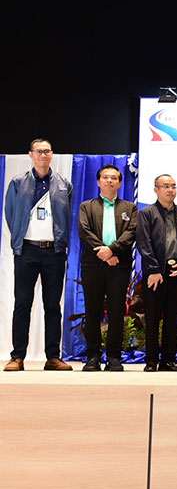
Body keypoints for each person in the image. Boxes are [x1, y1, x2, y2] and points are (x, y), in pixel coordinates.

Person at [3, 139, 74, 371]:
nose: (43, 155)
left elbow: (67, 216)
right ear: (31, 154)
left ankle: (53, 357)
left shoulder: (64, 184)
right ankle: (17, 357)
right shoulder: (18, 182)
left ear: (52, 155)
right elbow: (10, 213)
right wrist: (19, 238)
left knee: (52, 306)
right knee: (22, 304)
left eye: (47, 151)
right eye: (39, 151)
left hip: (54, 252)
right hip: (27, 251)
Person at [78, 164, 138, 372]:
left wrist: (112, 251)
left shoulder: (130, 208)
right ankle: (93, 356)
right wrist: (104, 254)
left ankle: (114, 356)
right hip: (93, 265)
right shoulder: (87, 206)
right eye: (105, 177)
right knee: (92, 311)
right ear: (98, 182)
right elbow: (84, 232)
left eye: (114, 178)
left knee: (116, 311)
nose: (110, 181)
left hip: (119, 265)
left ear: (120, 183)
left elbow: (131, 233)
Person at [137, 174, 177, 372]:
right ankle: (151, 361)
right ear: (156, 190)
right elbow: (144, 243)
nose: (170, 190)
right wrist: (153, 269)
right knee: (152, 317)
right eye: (165, 186)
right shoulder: (147, 213)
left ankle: (168, 360)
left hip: (176, 272)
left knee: (174, 318)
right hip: (155, 274)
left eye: (173, 186)